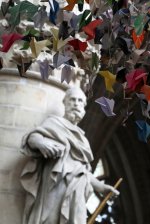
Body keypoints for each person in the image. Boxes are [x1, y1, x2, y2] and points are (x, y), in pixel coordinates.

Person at [20, 87, 119, 224]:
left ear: (84, 108)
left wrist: (100, 187)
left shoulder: (83, 139)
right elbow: (33, 138)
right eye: (72, 100)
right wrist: (42, 144)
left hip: (77, 189)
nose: (76, 104)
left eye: (80, 101)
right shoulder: (54, 123)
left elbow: (84, 171)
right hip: (55, 183)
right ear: (65, 103)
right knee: (50, 220)